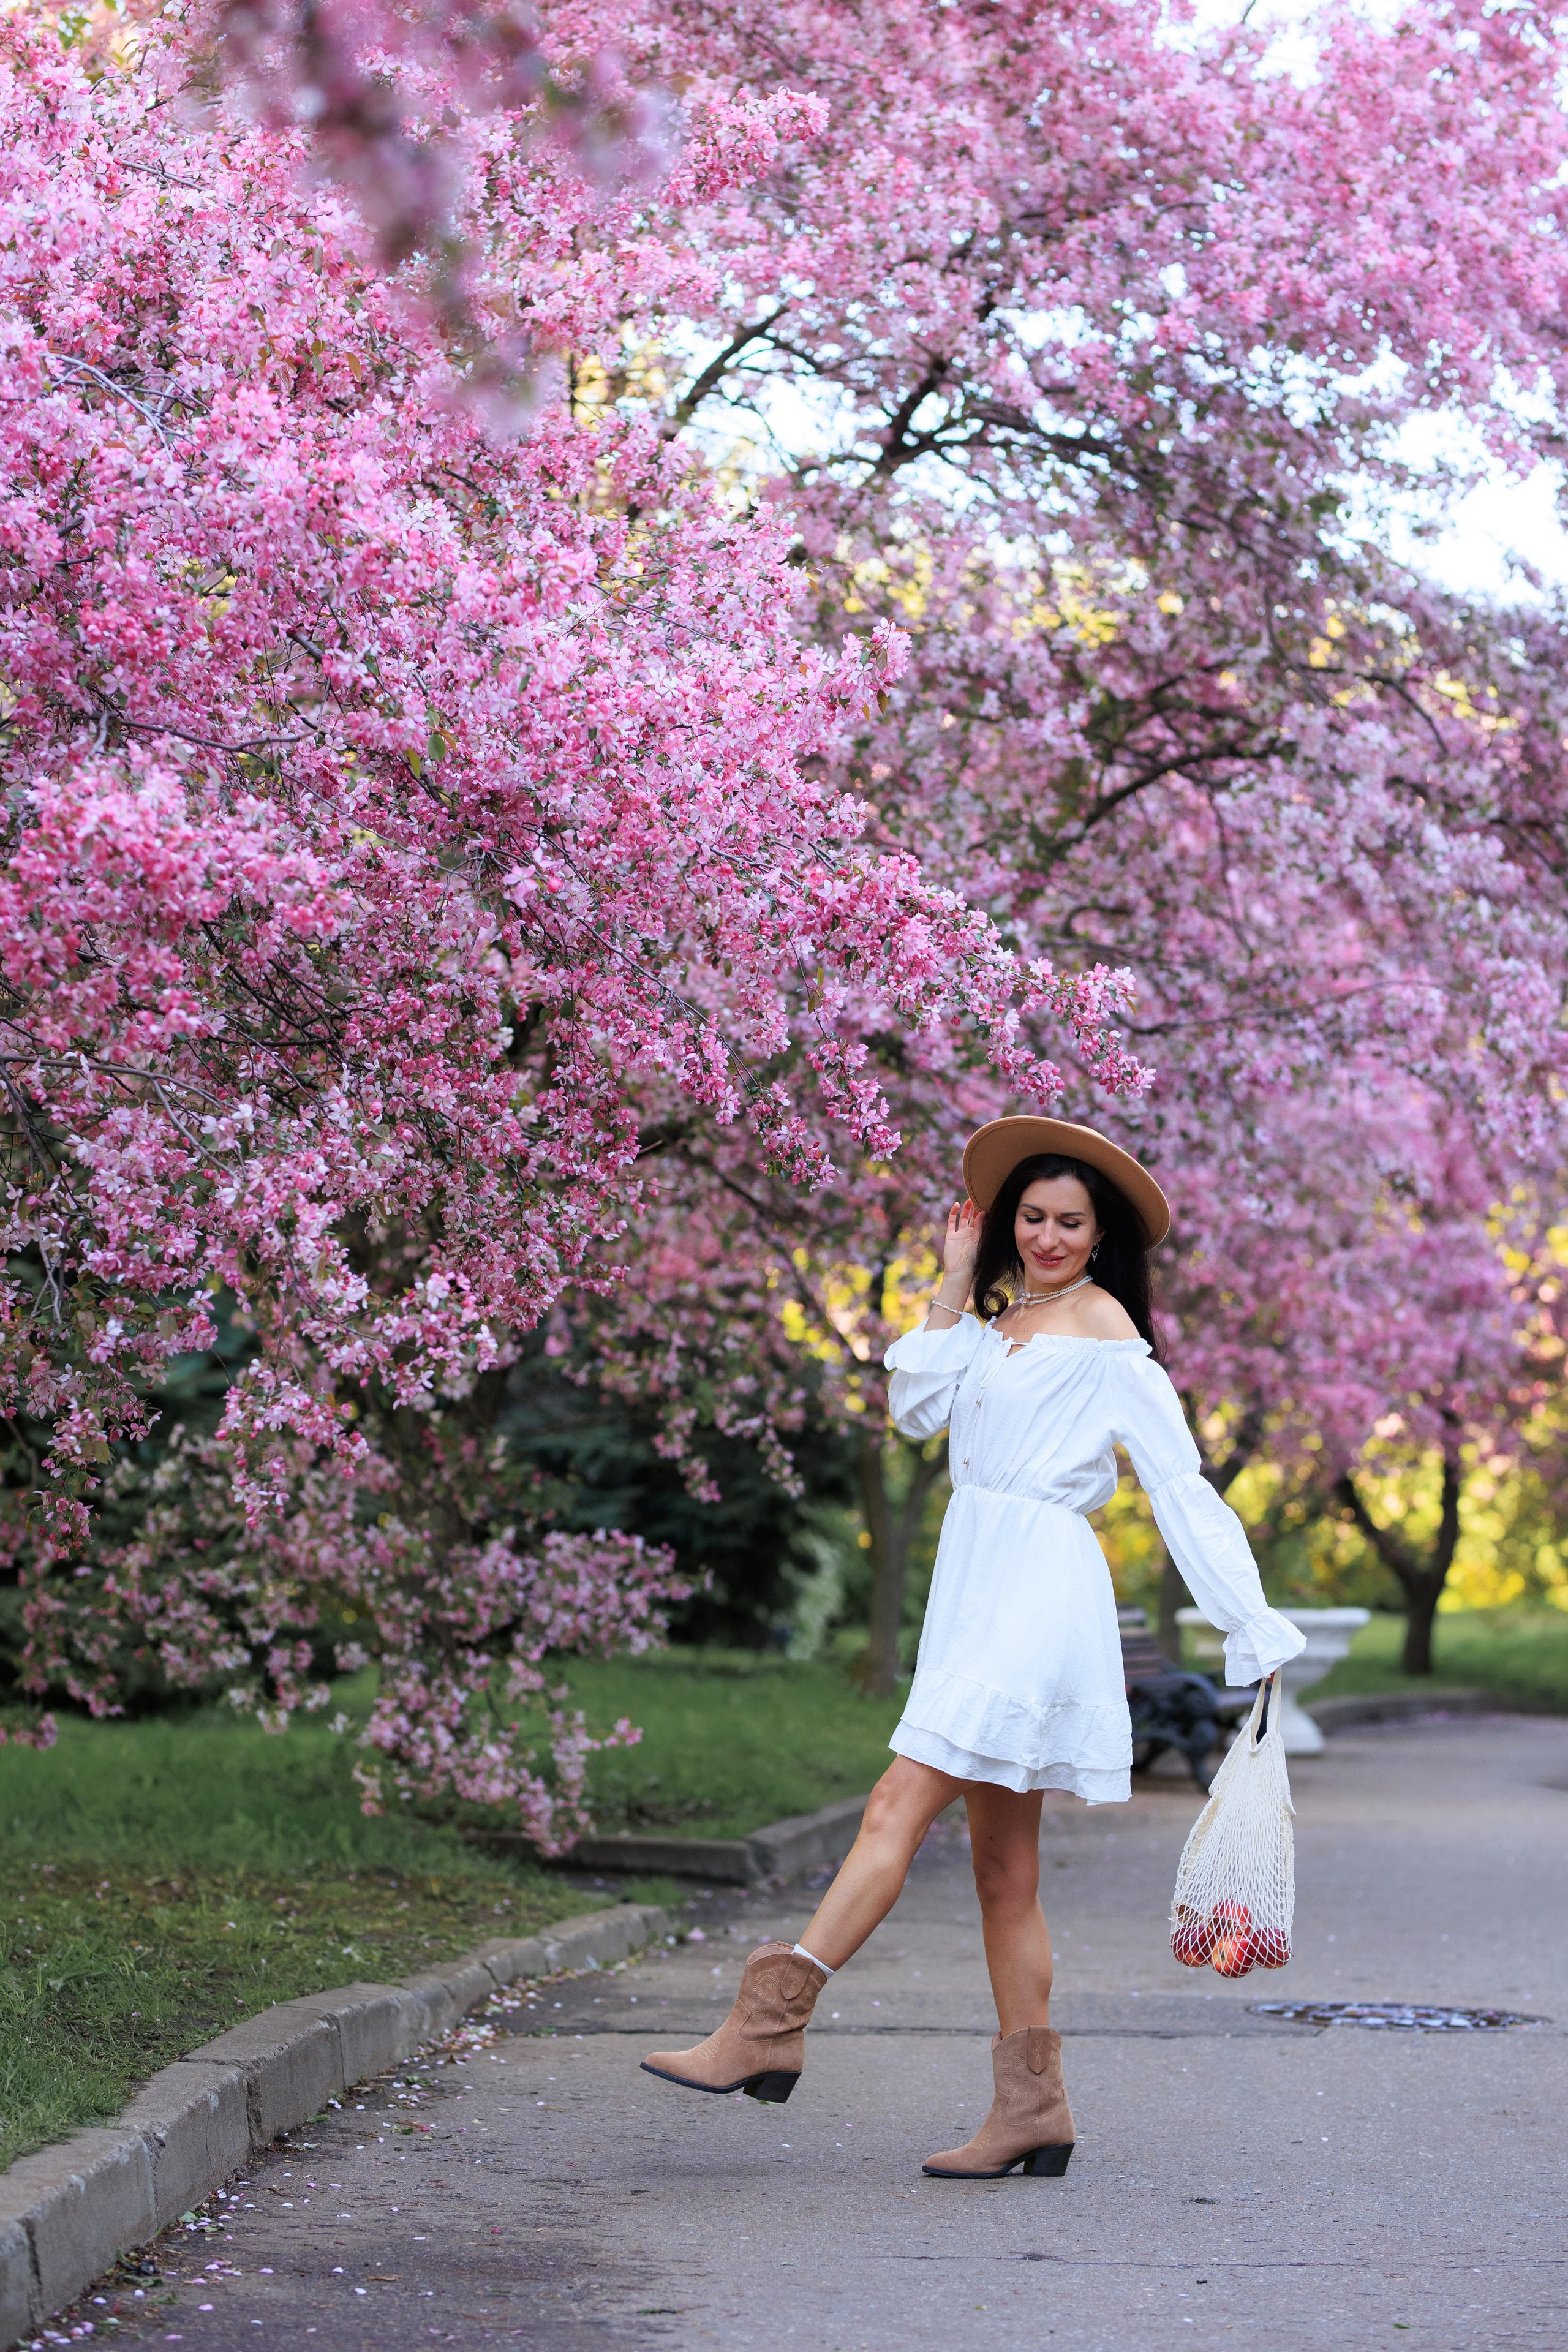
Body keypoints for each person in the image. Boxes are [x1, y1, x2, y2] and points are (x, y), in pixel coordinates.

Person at [640, 1115, 1305, 2177]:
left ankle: (767, 2026)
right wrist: (953, 1278)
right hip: (979, 1586)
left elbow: (1183, 1492)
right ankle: (1034, 2109)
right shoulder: (1000, 1322)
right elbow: (914, 1411)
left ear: (1102, 1236)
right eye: (1032, 1218)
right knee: (1005, 1869)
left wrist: (1251, 1624)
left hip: (1038, 1595)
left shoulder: (1112, 1341)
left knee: (895, 1805)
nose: (1048, 1236)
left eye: (1071, 1222)